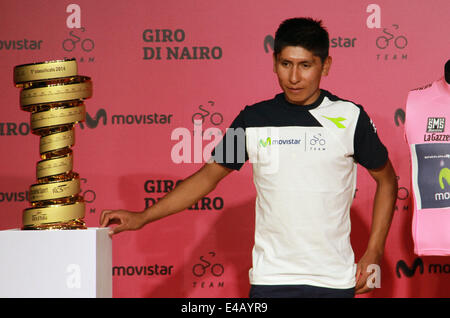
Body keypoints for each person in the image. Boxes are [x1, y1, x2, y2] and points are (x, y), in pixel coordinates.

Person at [100, 17, 397, 298]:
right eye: (286, 64)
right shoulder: (252, 120)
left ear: (325, 65)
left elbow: (387, 181)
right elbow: (206, 178)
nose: (294, 77)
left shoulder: (349, 117)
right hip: (271, 281)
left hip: (334, 280)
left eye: (305, 65)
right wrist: (143, 217)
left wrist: (373, 253)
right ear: (274, 63)